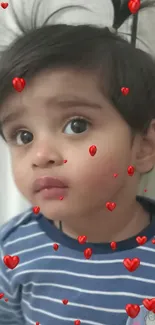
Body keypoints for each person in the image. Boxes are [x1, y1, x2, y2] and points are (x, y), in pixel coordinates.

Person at [0, 2, 155, 325]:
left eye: (77, 126)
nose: (41, 156)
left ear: (143, 146)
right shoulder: (10, 251)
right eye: (23, 136)